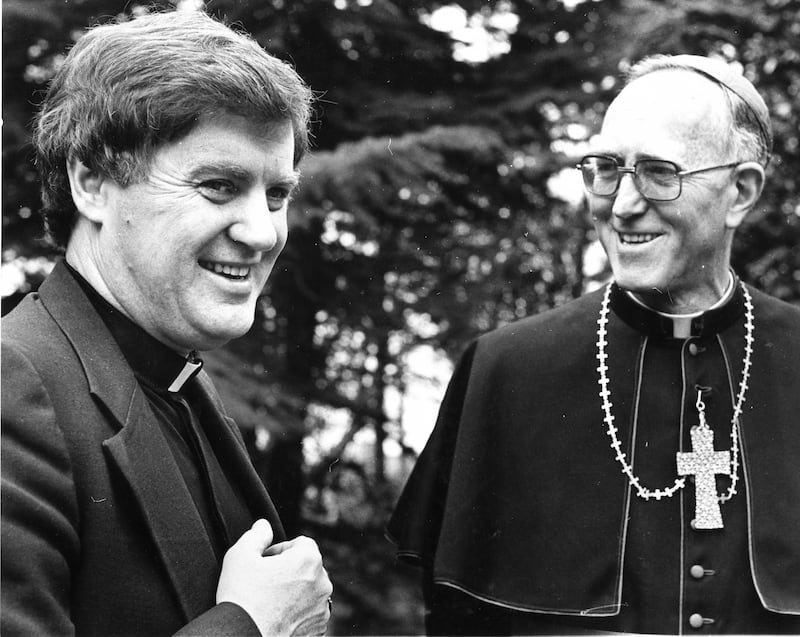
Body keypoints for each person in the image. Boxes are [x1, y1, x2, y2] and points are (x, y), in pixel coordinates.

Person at [388, 54, 800, 634]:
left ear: (741, 193)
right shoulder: (504, 370)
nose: (624, 204)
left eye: (660, 172)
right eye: (606, 168)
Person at [1, 9, 333, 636]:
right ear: (91, 181)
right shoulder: (12, 388)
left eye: (276, 195)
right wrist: (250, 626)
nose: (262, 232)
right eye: (217, 185)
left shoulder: (176, 381)